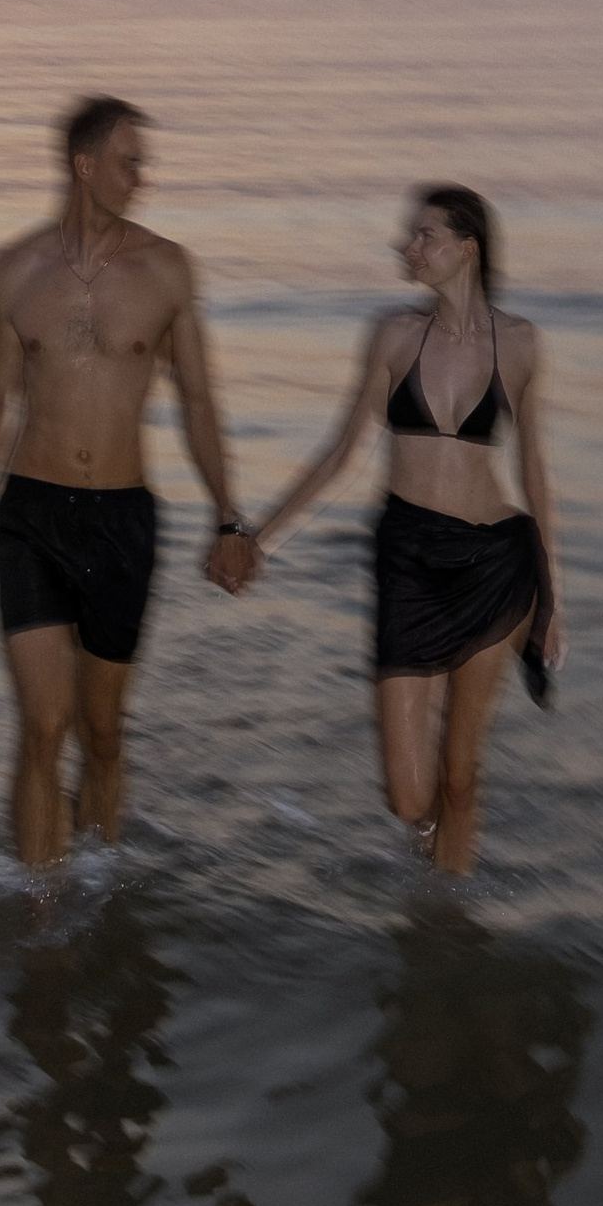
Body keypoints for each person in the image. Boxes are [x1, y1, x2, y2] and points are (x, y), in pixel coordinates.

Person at [0, 97, 259, 866]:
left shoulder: (166, 269)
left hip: (123, 517)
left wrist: (229, 517)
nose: (142, 176)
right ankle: (43, 917)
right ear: (84, 168)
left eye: (143, 162)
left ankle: (99, 885)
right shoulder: (14, 272)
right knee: (42, 726)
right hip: (31, 513)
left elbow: (197, 398)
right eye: (129, 162)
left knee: (103, 731)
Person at [249, 185, 562, 874]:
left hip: (495, 565)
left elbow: (535, 471)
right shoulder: (391, 335)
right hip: (409, 565)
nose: (408, 248)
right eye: (409, 237)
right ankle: (431, 861)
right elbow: (339, 452)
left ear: (467, 248)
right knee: (407, 793)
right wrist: (258, 536)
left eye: (425, 236)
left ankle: (445, 929)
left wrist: (553, 600)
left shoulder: (519, 344)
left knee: (459, 775)